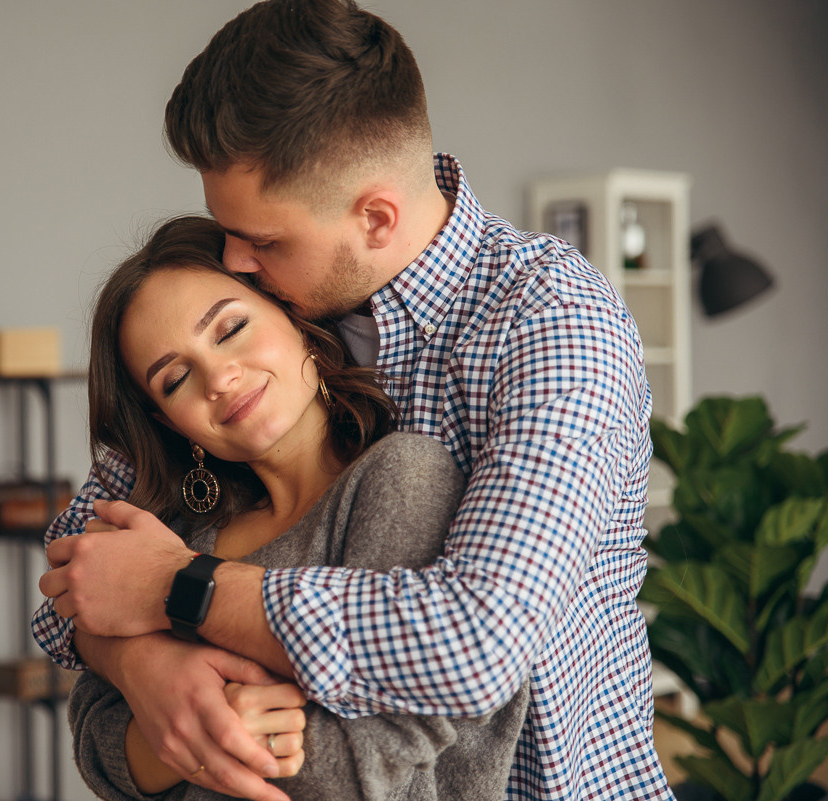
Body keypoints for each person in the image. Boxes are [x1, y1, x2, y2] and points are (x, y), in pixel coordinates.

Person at [35, 1, 673, 799]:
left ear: (375, 217)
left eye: (263, 240)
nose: (235, 260)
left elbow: (474, 642)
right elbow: (74, 573)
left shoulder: (549, 322)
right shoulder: (282, 302)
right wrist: (148, 667)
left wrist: (180, 590)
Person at [60, 214, 527, 801]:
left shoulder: (402, 478)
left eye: (230, 329)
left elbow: (359, 771)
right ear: (169, 422)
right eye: (175, 379)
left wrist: (193, 727)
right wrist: (173, 702)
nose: (219, 378)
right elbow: (95, 745)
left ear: (298, 322)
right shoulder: (175, 536)